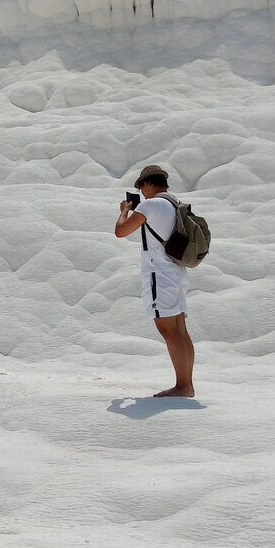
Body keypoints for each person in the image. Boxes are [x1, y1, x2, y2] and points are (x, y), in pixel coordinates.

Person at [114, 164, 195, 397]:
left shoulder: (152, 204)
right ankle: (186, 383)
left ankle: (183, 386)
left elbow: (121, 231)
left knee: (168, 329)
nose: (141, 193)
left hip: (160, 275)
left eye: (141, 187)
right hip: (177, 273)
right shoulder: (173, 203)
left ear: (148, 184)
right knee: (180, 329)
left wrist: (125, 211)